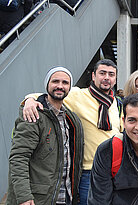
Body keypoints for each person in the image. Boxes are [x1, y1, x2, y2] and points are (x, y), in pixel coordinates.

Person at [21, 59, 122, 205]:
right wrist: (29, 100)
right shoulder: (77, 95)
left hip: (114, 170)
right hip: (89, 171)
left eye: (111, 74)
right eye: (102, 73)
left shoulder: (116, 103)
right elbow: (44, 95)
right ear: (93, 76)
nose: (107, 77)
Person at [7, 67, 84, 205]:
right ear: (47, 84)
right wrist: (24, 196)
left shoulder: (71, 119)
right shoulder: (33, 114)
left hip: (66, 197)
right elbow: (19, 158)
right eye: (55, 81)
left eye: (65, 83)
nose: (60, 86)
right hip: (38, 199)